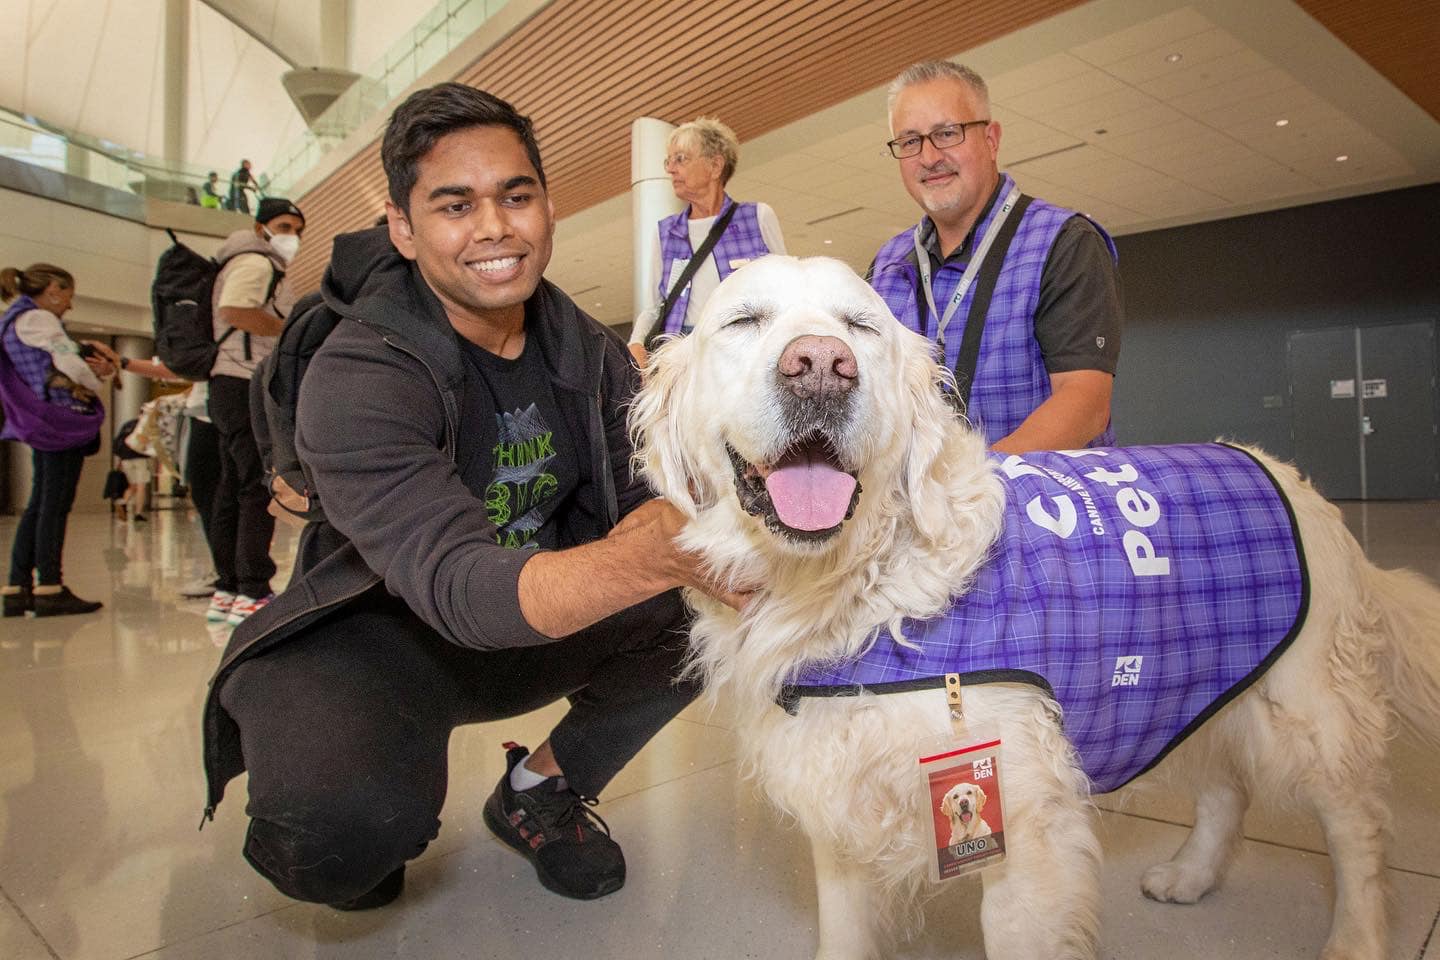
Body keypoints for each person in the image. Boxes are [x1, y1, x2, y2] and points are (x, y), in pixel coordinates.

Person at [200, 81, 744, 913]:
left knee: (695, 617)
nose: (494, 227)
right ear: (404, 229)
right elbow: (458, 585)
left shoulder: (588, 350)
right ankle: (378, 782)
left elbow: (639, 492)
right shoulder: (360, 374)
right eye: (455, 205)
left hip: (537, 615)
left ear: (548, 209)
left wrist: (689, 541)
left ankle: (539, 790)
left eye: (515, 196)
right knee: (337, 837)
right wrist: (656, 552)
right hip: (378, 635)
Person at [868, 61, 1122, 453]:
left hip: (1039, 503)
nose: (929, 156)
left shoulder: (1064, 242)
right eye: (909, 141)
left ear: (991, 139)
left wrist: (974, 485)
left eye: (947, 133)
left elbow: (1085, 403)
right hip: (915, 507)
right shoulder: (887, 265)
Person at [204, 196, 305, 625]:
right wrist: (291, 331)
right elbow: (235, 310)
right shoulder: (256, 263)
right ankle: (252, 588)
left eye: (298, 229)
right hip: (243, 380)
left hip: (224, 382)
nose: (292, 237)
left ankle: (229, 586)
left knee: (231, 486)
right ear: (260, 226)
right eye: (284, 226)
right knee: (255, 486)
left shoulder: (237, 261)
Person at [0, 263, 115, 617]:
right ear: (53, 289)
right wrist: (96, 380)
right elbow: (69, 364)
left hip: (38, 419)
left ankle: (18, 586)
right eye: (67, 296)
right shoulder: (40, 320)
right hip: (60, 419)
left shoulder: (13, 320)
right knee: (55, 503)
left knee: (39, 501)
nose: (69, 305)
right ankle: (50, 584)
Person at [627, 116, 786, 365]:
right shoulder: (667, 232)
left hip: (745, 353)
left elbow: (785, 290)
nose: (670, 169)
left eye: (681, 159)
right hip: (682, 356)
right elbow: (656, 306)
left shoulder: (756, 218)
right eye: (668, 161)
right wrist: (636, 343)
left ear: (715, 166)